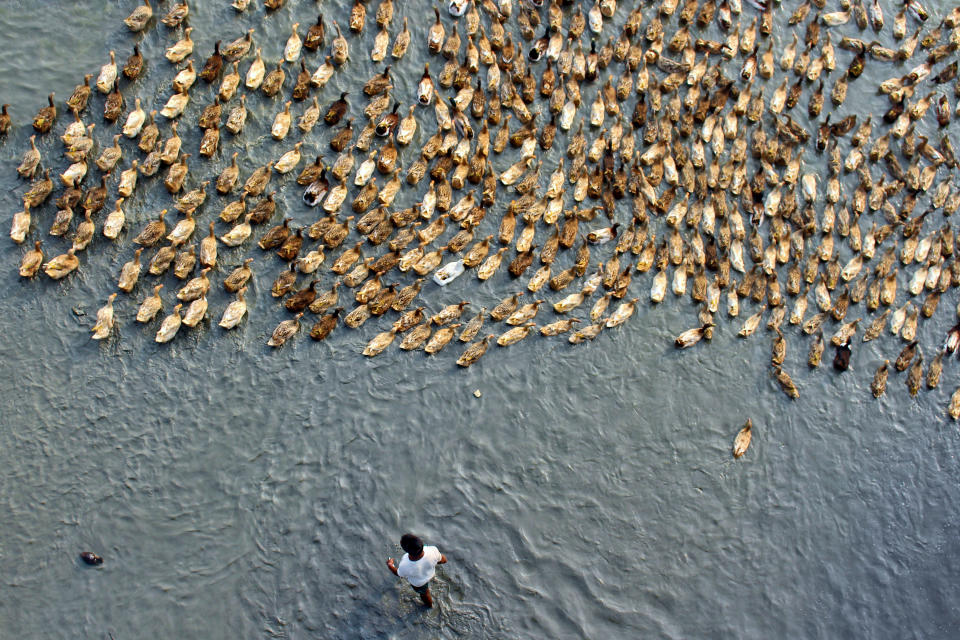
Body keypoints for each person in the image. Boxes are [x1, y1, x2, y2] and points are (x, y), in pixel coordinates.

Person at [386, 533, 447, 608]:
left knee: (424, 594)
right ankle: (429, 605)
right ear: (421, 544)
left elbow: (398, 573)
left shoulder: (405, 564)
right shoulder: (432, 550)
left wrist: (390, 565)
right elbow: (443, 560)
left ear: (406, 550)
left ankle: (429, 606)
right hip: (431, 574)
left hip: (419, 583)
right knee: (426, 592)